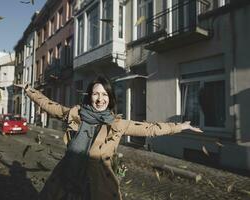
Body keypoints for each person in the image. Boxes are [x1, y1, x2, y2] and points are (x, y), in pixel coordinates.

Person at [18, 76, 202, 200]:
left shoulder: (117, 123)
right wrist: (28, 89)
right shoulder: (75, 114)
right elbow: (49, 105)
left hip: (98, 184)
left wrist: (180, 126)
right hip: (67, 179)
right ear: (90, 96)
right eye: (96, 94)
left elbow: (150, 129)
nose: (100, 99)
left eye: (104, 94)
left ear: (110, 98)